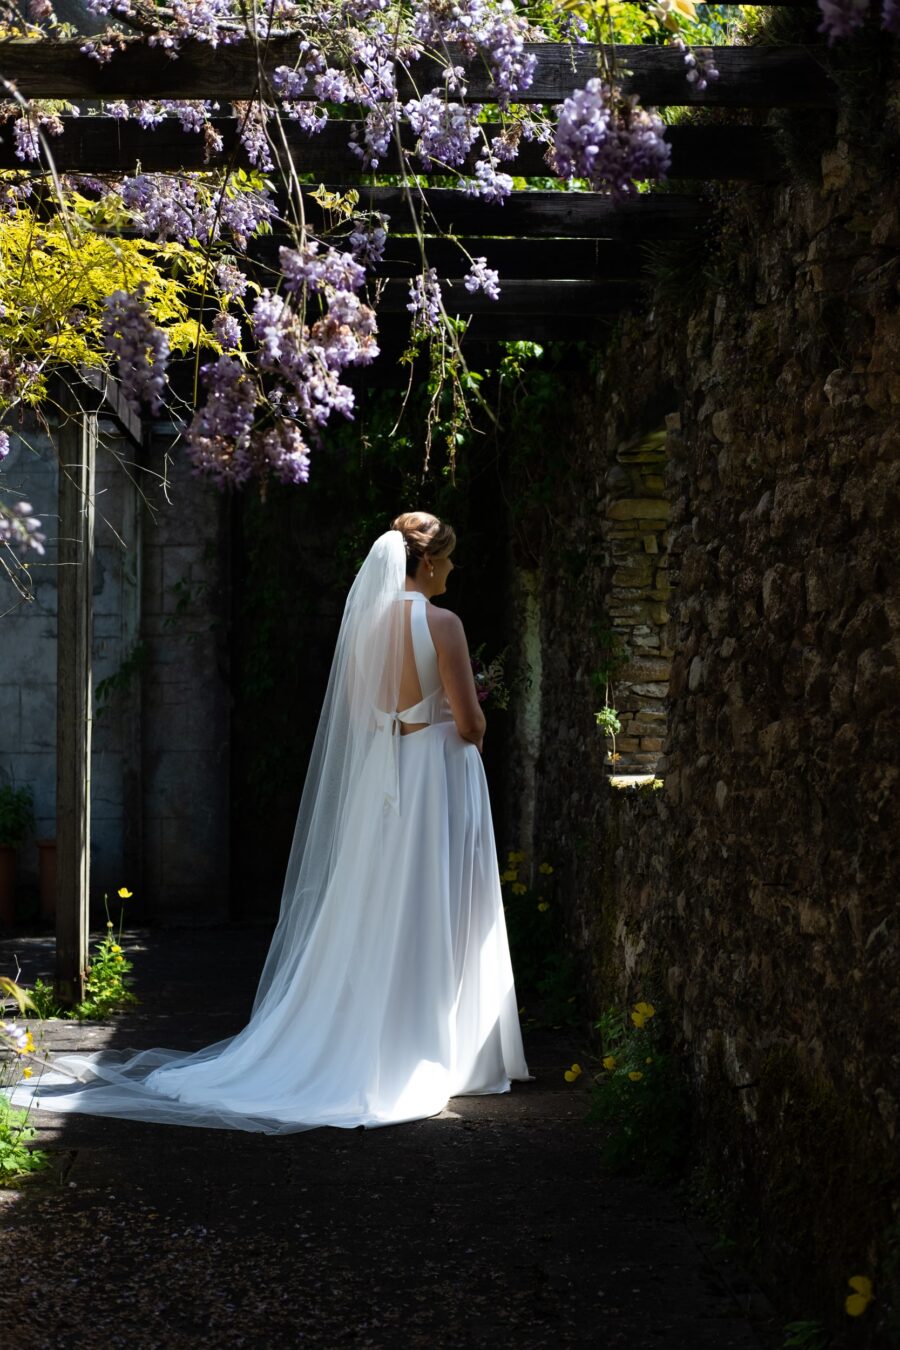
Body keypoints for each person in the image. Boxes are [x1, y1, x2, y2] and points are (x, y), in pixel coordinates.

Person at [13, 512, 530, 1132]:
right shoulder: (443, 624)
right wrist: (464, 712)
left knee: (384, 904)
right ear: (425, 563)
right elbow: (471, 725)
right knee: (441, 901)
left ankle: (381, 1037)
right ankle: (444, 1048)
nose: (451, 568)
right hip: (436, 775)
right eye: (446, 558)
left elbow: (364, 716)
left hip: (388, 778)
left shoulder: (365, 627)